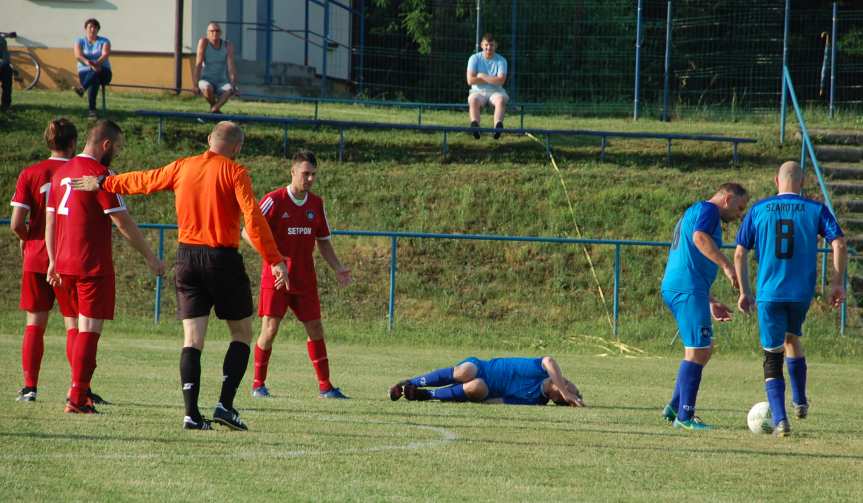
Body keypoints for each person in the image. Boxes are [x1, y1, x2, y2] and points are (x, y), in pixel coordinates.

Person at [71, 121, 288, 431]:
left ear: (208, 140)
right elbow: (252, 218)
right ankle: (225, 406)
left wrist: (104, 184)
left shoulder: (183, 166)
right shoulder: (236, 172)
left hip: (186, 258)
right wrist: (275, 259)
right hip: (222, 259)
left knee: (192, 339)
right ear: (237, 147)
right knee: (241, 334)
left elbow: (145, 180)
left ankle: (191, 414)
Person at [45, 119, 164, 414]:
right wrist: (151, 257)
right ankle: (77, 397)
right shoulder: (101, 175)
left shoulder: (61, 173)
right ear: (106, 145)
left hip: (62, 264)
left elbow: (50, 221)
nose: (118, 153)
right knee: (89, 331)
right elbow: (122, 221)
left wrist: (51, 260)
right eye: (118, 147)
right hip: (90, 265)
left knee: (74, 328)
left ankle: (78, 391)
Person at [734, 161, 847, 437]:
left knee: (772, 355)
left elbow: (739, 253)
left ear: (776, 180)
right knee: (791, 338)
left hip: (770, 293)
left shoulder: (758, 209)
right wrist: (835, 283)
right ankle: (799, 400)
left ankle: (781, 420)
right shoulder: (815, 209)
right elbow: (839, 243)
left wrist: (744, 291)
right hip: (800, 294)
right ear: (803, 182)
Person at [243, 150, 352, 400]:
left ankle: (326, 386)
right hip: (277, 277)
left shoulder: (317, 204)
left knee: (315, 328)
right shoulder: (274, 200)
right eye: (306, 174)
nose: (310, 179)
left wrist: (338, 267)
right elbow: (248, 232)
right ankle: (258, 384)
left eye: (314, 175)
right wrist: (274, 260)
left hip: (305, 278)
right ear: (293, 172)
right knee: (269, 329)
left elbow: (323, 241)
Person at [660, 183, 749, 431]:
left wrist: (709, 301)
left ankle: (675, 407)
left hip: (687, 287)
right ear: (727, 198)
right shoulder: (708, 210)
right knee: (698, 350)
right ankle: (685, 416)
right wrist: (726, 266)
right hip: (686, 289)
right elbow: (699, 238)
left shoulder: (696, 211)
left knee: (703, 348)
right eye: (739, 207)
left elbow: (689, 257)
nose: (739, 214)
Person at [11, 119, 79, 402]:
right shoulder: (77, 173)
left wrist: (30, 239)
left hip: (37, 256)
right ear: (74, 143)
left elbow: (16, 223)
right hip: (68, 256)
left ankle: (30, 388)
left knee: (35, 323)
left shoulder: (31, 173)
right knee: (74, 324)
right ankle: (78, 388)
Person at [388, 356, 585, 406]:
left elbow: (501, 402)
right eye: (568, 384)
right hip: (482, 367)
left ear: (556, 397)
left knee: (476, 387)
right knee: (464, 372)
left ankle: (425, 394)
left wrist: (477, 399)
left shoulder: (535, 399)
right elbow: (549, 360)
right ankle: (409, 383)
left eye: (566, 387)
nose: (565, 383)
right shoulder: (541, 368)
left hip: (487, 387)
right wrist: (568, 394)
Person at [466, 33, 508, 140]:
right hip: (478, 92)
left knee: (501, 99)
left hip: (496, 92)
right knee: (473, 100)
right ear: (481, 45)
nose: (488, 47)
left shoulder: (501, 60)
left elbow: (501, 81)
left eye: (491, 45)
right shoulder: (474, 58)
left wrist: (482, 76)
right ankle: (475, 126)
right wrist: (492, 79)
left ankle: (498, 127)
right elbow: (470, 80)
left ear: (496, 46)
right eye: (486, 44)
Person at [193, 22, 238, 114]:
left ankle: (213, 110)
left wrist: (233, 84)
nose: (214, 33)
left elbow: (231, 67)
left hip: (222, 81)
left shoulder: (227, 45)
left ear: (221, 33)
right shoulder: (204, 42)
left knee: (229, 89)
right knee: (207, 87)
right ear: (207, 33)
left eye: (217, 31)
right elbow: (198, 64)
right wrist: (195, 84)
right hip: (206, 79)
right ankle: (216, 110)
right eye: (212, 31)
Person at [73, 18, 112, 118]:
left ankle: (82, 90)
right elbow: (78, 55)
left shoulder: (104, 41)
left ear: (98, 29)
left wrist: (96, 64)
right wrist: (89, 63)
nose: (92, 29)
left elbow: (105, 55)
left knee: (97, 72)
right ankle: (92, 111)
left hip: (104, 72)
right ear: (85, 29)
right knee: (94, 78)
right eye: (90, 27)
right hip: (85, 72)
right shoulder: (79, 41)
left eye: (95, 27)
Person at [0, 32, 11, 112]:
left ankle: (6, 105)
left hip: (1, 67)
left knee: (7, 69)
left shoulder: (2, 41)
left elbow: (6, 59)